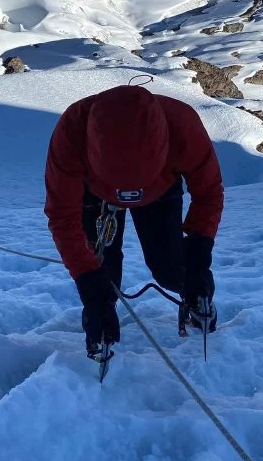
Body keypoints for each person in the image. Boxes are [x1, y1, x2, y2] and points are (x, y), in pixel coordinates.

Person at [44, 84, 223, 358]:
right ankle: (102, 311)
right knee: (103, 271)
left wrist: (199, 258)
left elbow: (208, 193)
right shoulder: (72, 131)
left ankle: (193, 295)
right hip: (95, 194)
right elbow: (62, 214)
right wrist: (90, 288)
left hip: (160, 189)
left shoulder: (182, 125)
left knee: (171, 268)